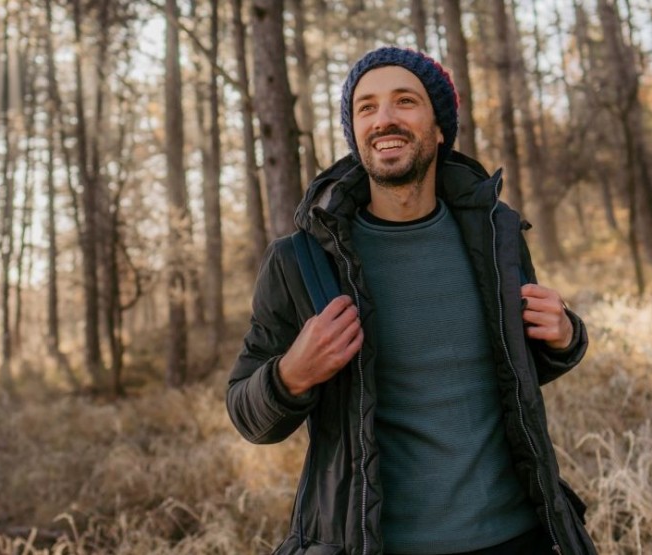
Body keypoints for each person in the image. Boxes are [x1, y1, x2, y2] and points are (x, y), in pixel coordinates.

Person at [226, 46, 596, 555]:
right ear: (354, 133)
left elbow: (515, 368)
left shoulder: (494, 234)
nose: (385, 119)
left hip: (521, 535)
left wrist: (567, 335)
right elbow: (247, 415)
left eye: (405, 101)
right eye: (367, 107)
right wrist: (291, 374)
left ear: (440, 127)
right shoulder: (302, 262)